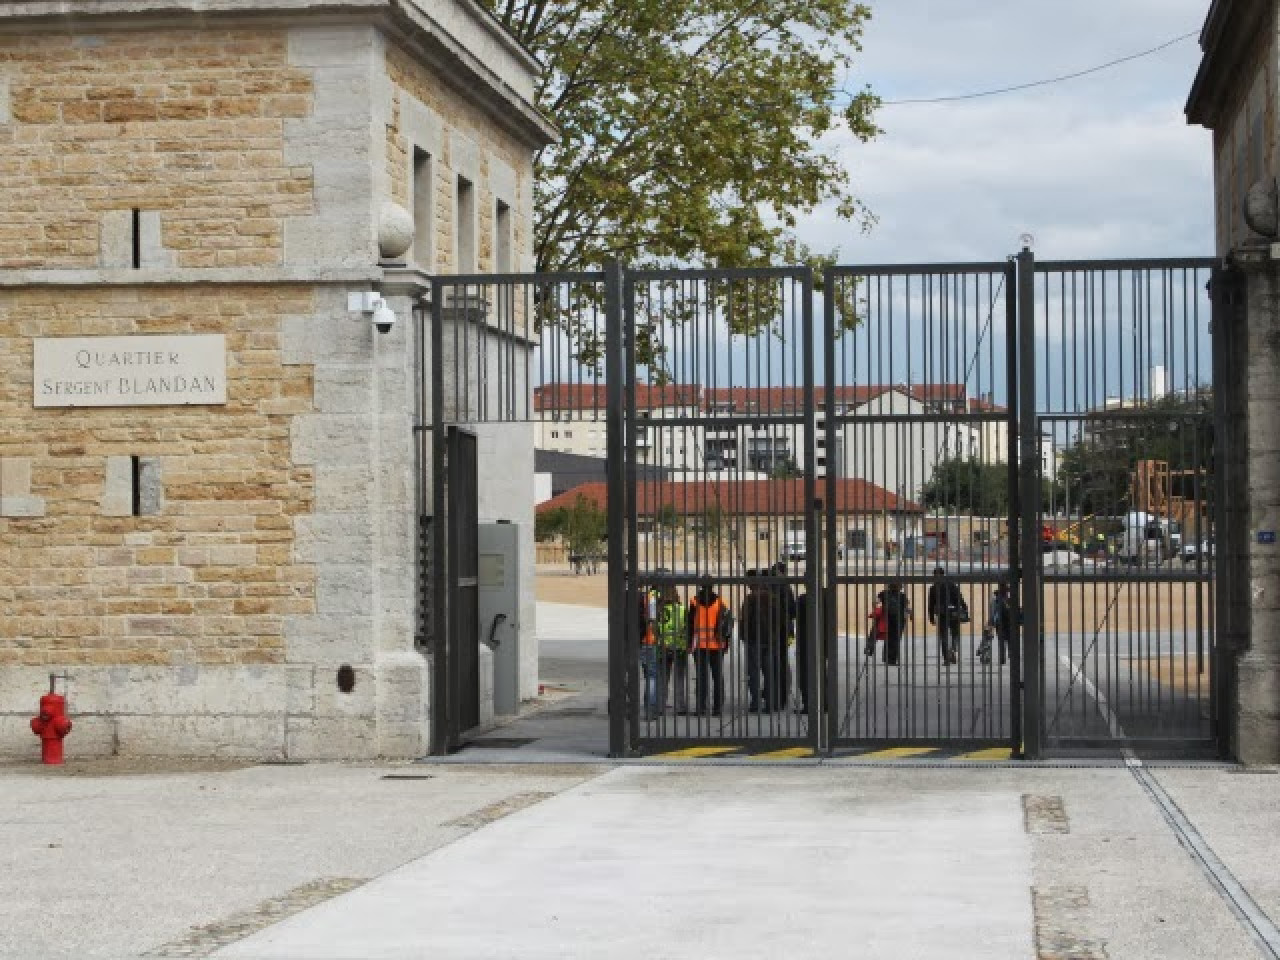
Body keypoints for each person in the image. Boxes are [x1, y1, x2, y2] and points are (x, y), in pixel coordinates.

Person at [687, 577, 731, 716]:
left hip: (699, 645)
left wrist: (689, 643)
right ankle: (717, 708)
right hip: (717, 645)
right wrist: (726, 642)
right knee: (718, 677)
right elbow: (727, 624)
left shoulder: (694, 601)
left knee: (701, 677)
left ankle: (701, 707)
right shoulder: (720, 601)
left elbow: (689, 624)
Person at [740, 571, 776, 712]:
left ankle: (755, 702)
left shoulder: (750, 599)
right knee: (769, 672)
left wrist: (744, 635)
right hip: (770, 639)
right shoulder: (773, 598)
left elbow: (745, 619)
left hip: (754, 639)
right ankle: (770, 703)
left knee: (754, 673)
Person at [654, 584, 689, 712]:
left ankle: (661, 705)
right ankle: (680, 706)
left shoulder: (659, 610)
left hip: (663, 645)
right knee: (679, 677)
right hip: (680, 646)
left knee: (663, 677)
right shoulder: (682, 609)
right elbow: (687, 628)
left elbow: (655, 628)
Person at [927, 566, 966, 666]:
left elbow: (931, 604)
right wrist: (964, 608)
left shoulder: (933, 588)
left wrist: (931, 617)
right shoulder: (951, 585)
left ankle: (947, 658)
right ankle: (953, 649)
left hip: (942, 613)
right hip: (953, 612)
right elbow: (959, 597)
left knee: (944, 636)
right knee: (955, 634)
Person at [770, 562, 796, 709]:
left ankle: (775, 694)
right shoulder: (786, 587)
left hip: (773, 630)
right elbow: (793, 611)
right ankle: (782, 695)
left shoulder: (770, 586)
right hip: (785, 630)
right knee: (781, 661)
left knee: (773, 662)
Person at [638, 585, 659, 720]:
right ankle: (650, 709)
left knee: (629, 674)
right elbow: (653, 619)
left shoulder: (623, 596)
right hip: (648, 640)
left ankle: (627, 708)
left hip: (630, 641)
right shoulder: (649, 598)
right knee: (650, 676)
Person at [981, 579, 1013, 666]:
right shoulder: (1004, 599)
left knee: (1003, 641)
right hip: (1006, 622)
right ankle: (1007, 656)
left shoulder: (1000, 599)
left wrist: (991, 622)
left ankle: (1004, 658)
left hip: (1002, 623)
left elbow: (993, 612)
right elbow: (994, 612)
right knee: (1008, 640)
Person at [881, 581, 912, 666]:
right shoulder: (902, 596)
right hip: (899, 619)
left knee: (888, 638)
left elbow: (875, 602)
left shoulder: (884, 594)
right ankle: (892, 659)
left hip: (887, 618)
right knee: (896, 639)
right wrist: (911, 614)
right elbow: (906, 608)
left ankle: (886, 658)